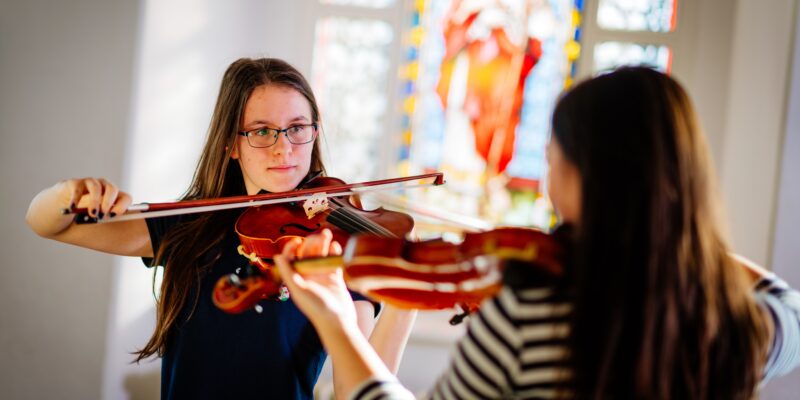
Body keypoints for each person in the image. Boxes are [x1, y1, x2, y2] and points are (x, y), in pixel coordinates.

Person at [273, 67, 800, 399]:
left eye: (553, 161)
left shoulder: (534, 315)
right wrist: (675, 232)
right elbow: (785, 301)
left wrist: (339, 324)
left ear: (579, 178)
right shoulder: (736, 324)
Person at [26, 57, 416, 399]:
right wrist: (69, 193)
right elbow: (46, 224)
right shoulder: (192, 226)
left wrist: (405, 305)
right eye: (262, 131)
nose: (284, 148)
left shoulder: (333, 247)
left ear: (314, 131)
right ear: (232, 143)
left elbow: (357, 394)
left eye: (298, 127)